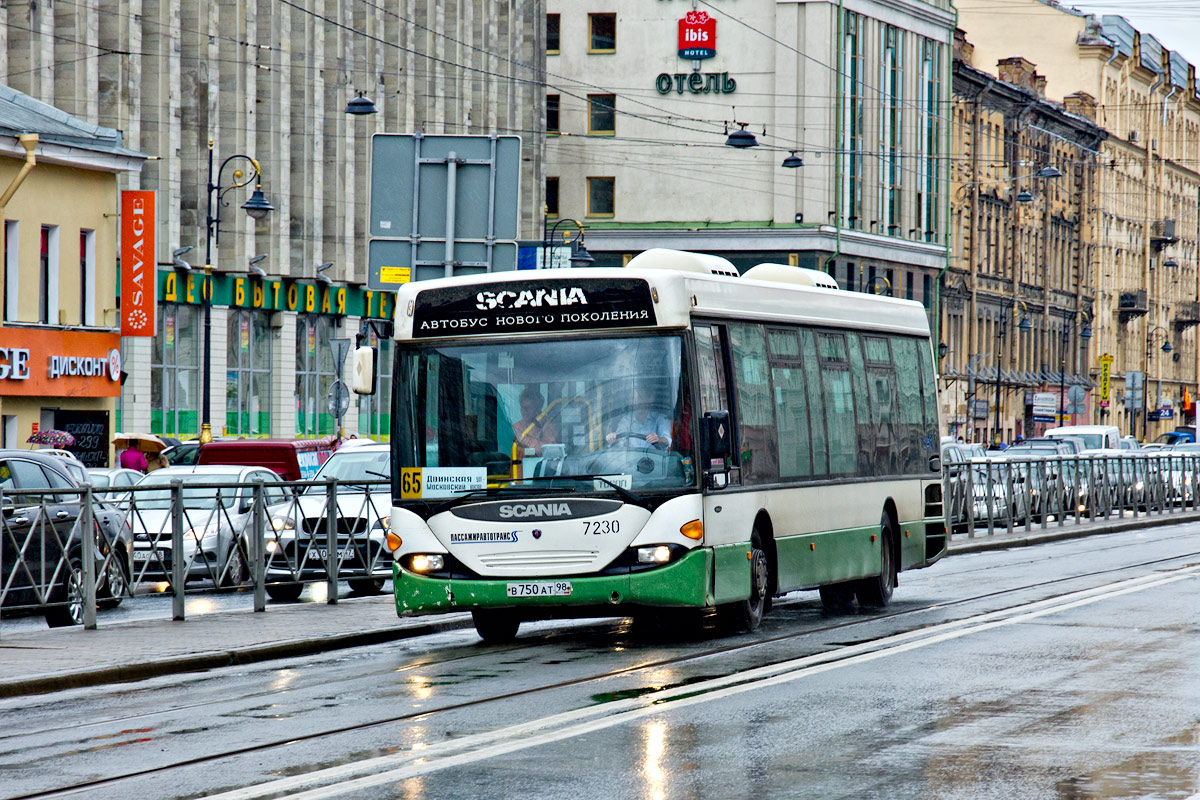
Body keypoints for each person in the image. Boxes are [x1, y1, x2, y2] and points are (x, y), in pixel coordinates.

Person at [606, 385, 671, 450]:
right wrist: (614, 438)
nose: (636, 402)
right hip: (632, 458)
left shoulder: (661, 418)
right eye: (633, 399)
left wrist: (659, 439)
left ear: (650, 399)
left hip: (656, 459)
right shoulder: (626, 420)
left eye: (640, 398)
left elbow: (667, 440)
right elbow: (621, 440)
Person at [512, 386, 558, 456]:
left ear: (538, 408)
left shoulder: (548, 425)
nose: (523, 411)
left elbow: (546, 450)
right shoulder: (517, 426)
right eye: (522, 408)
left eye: (527, 408)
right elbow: (512, 451)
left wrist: (523, 439)